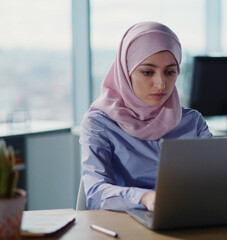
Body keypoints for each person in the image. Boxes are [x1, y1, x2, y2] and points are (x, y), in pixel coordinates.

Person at [79, 22, 212, 211]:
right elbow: (95, 194)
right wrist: (144, 197)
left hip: (187, 220)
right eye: (147, 72)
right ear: (126, 72)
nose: (161, 84)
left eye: (170, 72)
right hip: (125, 226)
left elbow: (215, 180)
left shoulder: (192, 122)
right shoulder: (99, 123)